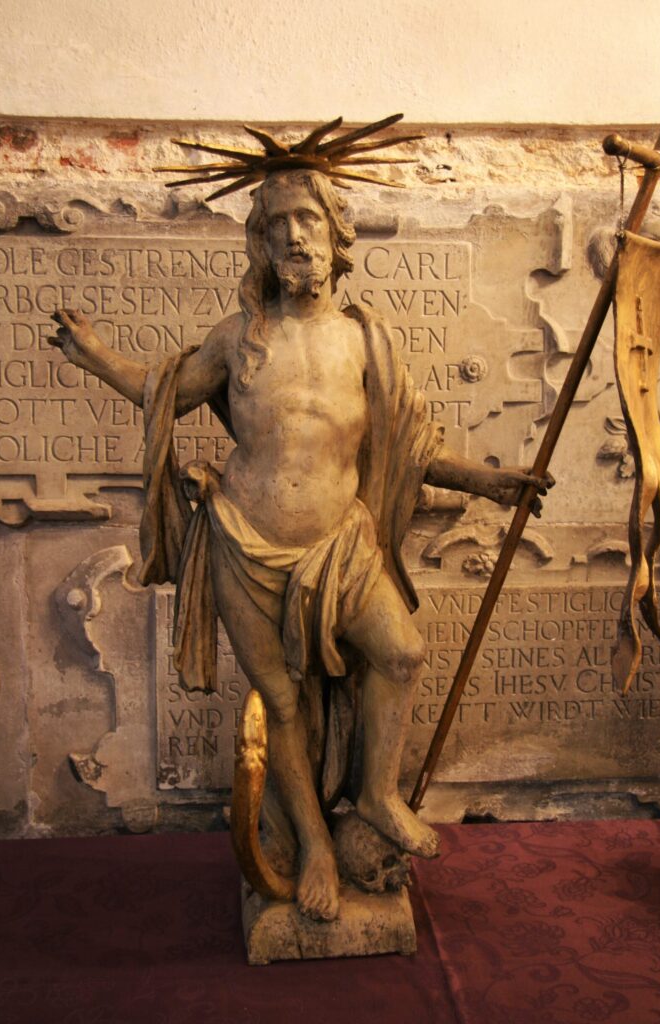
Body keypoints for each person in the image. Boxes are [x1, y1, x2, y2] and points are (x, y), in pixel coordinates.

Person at [50, 168, 550, 922]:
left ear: (335, 236)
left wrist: (490, 483)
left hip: (341, 545)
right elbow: (166, 395)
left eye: (308, 220)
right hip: (244, 545)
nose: (293, 236)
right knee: (280, 705)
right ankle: (315, 846)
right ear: (260, 242)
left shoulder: (366, 341)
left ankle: (376, 794)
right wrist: (96, 357)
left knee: (401, 653)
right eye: (277, 223)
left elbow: (411, 449)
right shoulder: (238, 338)